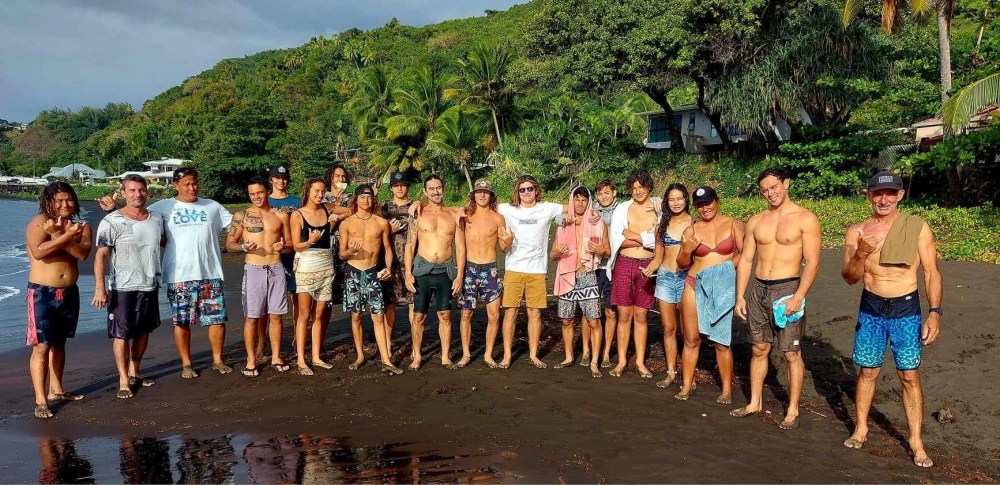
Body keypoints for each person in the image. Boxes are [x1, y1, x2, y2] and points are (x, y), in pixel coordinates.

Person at [840, 171, 942, 468]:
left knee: (909, 375)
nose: (883, 199)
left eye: (890, 193)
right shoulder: (856, 231)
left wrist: (934, 313)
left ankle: (916, 441)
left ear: (900, 195)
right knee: (868, 371)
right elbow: (849, 277)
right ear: (869, 196)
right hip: (871, 308)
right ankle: (861, 428)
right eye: (877, 193)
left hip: (905, 311)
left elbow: (931, 272)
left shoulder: (917, 228)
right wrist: (860, 254)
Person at [732, 168, 821, 429]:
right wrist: (740, 295)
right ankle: (754, 402)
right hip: (758, 288)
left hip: (788, 289)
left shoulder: (806, 219)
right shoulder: (757, 221)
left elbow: (813, 262)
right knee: (759, 348)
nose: (770, 193)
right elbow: (747, 259)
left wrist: (799, 296)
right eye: (765, 190)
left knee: (791, 352)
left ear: (786, 183)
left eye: (774, 187)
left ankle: (792, 409)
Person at [148, 167, 234, 378]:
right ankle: (186, 363)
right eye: (186, 184)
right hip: (179, 276)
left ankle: (218, 360)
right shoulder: (161, 207)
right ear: (175, 185)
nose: (191, 188)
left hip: (210, 273)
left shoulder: (212, 206)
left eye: (194, 183)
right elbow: (141, 221)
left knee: (216, 319)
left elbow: (236, 224)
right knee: (181, 321)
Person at [92, 174, 165, 399]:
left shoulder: (157, 219)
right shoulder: (111, 221)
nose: (137, 194)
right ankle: (123, 379)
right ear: (124, 193)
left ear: (147, 192)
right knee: (121, 334)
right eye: (132, 190)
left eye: (141, 190)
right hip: (122, 287)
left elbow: (163, 242)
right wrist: (100, 287)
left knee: (144, 331)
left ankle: (135, 371)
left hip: (150, 284)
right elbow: (101, 255)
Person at [25, 181, 93, 418]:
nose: (65, 204)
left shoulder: (81, 226)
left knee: (60, 344)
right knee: (41, 346)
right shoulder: (39, 223)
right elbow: (39, 251)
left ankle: (57, 389)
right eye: (59, 200)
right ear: (49, 202)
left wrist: (60, 235)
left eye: (69, 199)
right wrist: (61, 235)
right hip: (42, 292)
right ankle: (41, 400)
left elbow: (83, 254)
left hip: (69, 292)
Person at [675, 186, 744, 403]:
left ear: (717, 201)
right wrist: (686, 250)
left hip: (722, 287)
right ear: (695, 207)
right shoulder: (691, 230)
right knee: (691, 339)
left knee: (721, 341)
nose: (705, 208)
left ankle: (726, 390)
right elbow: (681, 263)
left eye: (708, 202)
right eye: (700, 205)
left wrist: (725, 271)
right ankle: (686, 385)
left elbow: (745, 254)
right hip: (694, 284)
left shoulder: (734, 224)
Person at [225, 177, 293, 377]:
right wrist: (244, 247)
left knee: (276, 316)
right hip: (254, 268)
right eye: (252, 193)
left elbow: (289, 244)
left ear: (267, 191)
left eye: (259, 192)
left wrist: (283, 246)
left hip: (276, 267)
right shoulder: (242, 216)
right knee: (252, 317)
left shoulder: (280, 216)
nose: (256, 196)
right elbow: (230, 244)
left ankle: (276, 356)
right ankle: (251, 359)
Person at [497, 175, 565, 369]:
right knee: (510, 312)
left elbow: (575, 206)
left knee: (534, 313)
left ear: (536, 190)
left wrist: (565, 218)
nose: (526, 192)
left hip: (537, 270)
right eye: (522, 189)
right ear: (517, 192)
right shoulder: (507, 209)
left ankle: (534, 355)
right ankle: (507, 356)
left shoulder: (547, 208)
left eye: (529, 189)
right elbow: (480, 207)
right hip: (514, 269)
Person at [404, 175, 466, 370]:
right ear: (425, 191)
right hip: (422, 269)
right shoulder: (417, 213)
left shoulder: (454, 214)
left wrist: (460, 275)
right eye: (431, 189)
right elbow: (409, 245)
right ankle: (417, 356)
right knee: (418, 316)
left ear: (443, 189)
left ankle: (445, 356)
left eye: (438, 188)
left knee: (445, 315)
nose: (435, 192)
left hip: (445, 270)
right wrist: (407, 272)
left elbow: (461, 247)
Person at [340, 184, 401, 374]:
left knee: (378, 316)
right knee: (356, 315)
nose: (366, 200)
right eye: (362, 197)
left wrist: (389, 268)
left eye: (369, 197)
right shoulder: (347, 223)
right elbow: (341, 254)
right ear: (355, 200)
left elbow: (388, 249)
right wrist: (350, 251)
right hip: (353, 271)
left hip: (374, 272)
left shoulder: (381, 223)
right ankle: (360, 355)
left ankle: (385, 358)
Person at [607, 171, 659, 378]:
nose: (638, 191)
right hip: (624, 263)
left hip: (648, 265)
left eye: (642, 187)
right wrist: (646, 238)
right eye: (634, 187)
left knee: (641, 315)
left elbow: (659, 240)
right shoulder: (622, 209)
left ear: (649, 187)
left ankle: (639, 361)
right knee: (624, 315)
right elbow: (617, 240)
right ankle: (621, 361)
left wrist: (635, 236)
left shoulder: (657, 208)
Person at [551, 186, 609, 377]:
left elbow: (607, 251)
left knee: (593, 320)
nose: (580, 203)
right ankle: (568, 357)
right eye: (577, 199)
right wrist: (558, 252)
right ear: (571, 201)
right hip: (567, 274)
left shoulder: (597, 223)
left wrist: (600, 249)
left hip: (587, 275)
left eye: (584, 200)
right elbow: (553, 255)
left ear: (589, 201)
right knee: (567, 320)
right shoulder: (563, 225)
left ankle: (594, 362)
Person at [290, 178, 343, 375]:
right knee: (304, 314)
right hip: (306, 263)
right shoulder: (297, 215)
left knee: (319, 313)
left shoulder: (328, 209)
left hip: (326, 263)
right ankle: (301, 360)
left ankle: (316, 356)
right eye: (316, 191)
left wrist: (337, 218)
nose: (320, 195)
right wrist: (310, 241)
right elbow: (296, 245)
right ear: (307, 191)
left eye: (322, 191)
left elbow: (350, 211)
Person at [645, 183, 694, 388]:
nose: (676, 203)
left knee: (688, 331)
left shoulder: (695, 223)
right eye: (671, 199)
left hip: (687, 278)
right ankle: (671, 372)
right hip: (665, 277)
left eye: (679, 198)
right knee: (668, 328)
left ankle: (688, 376)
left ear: (686, 200)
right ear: (666, 202)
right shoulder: (661, 226)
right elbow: (658, 257)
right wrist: (649, 269)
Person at [459, 179, 511, 368]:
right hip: (470, 269)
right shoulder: (466, 214)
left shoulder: (498, 218)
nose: (482, 195)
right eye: (479, 192)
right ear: (474, 195)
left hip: (490, 269)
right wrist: (418, 203)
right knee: (466, 314)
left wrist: (509, 241)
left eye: (486, 192)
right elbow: (441, 208)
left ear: (491, 196)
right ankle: (465, 354)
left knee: (494, 315)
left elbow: (504, 248)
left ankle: (488, 354)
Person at [267, 165, 301, 353]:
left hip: (294, 256)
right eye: (277, 178)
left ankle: (298, 339)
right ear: (271, 180)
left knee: (297, 299)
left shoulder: (297, 201)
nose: (281, 181)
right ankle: (264, 344)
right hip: (270, 258)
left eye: (284, 177)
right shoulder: (266, 200)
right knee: (269, 304)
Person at [381, 171, 414, 357]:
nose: (400, 188)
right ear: (391, 187)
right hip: (390, 263)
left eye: (403, 185)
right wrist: (389, 230)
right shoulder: (384, 208)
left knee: (413, 304)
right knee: (389, 305)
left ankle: (415, 344)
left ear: (407, 187)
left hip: (411, 262)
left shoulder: (416, 207)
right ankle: (386, 343)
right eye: (396, 185)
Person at [591, 179, 619, 368]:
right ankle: (587, 351)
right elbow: (566, 214)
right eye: (600, 193)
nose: (604, 196)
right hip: (593, 266)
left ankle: (607, 352)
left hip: (613, 265)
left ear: (614, 193)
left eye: (607, 192)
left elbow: (648, 204)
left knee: (610, 310)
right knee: (590, 312)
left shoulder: (622, 209)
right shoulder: (590, 209)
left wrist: (657, 200)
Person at [323, 164, 352, 304]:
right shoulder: (322, 198)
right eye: (337, 176)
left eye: (343, 176)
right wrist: (337, 204)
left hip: (349, 244)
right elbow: (326, 227)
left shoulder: (352, 198)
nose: (341, 179)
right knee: (328, 292)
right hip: (330, 245)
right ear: (330, 178)